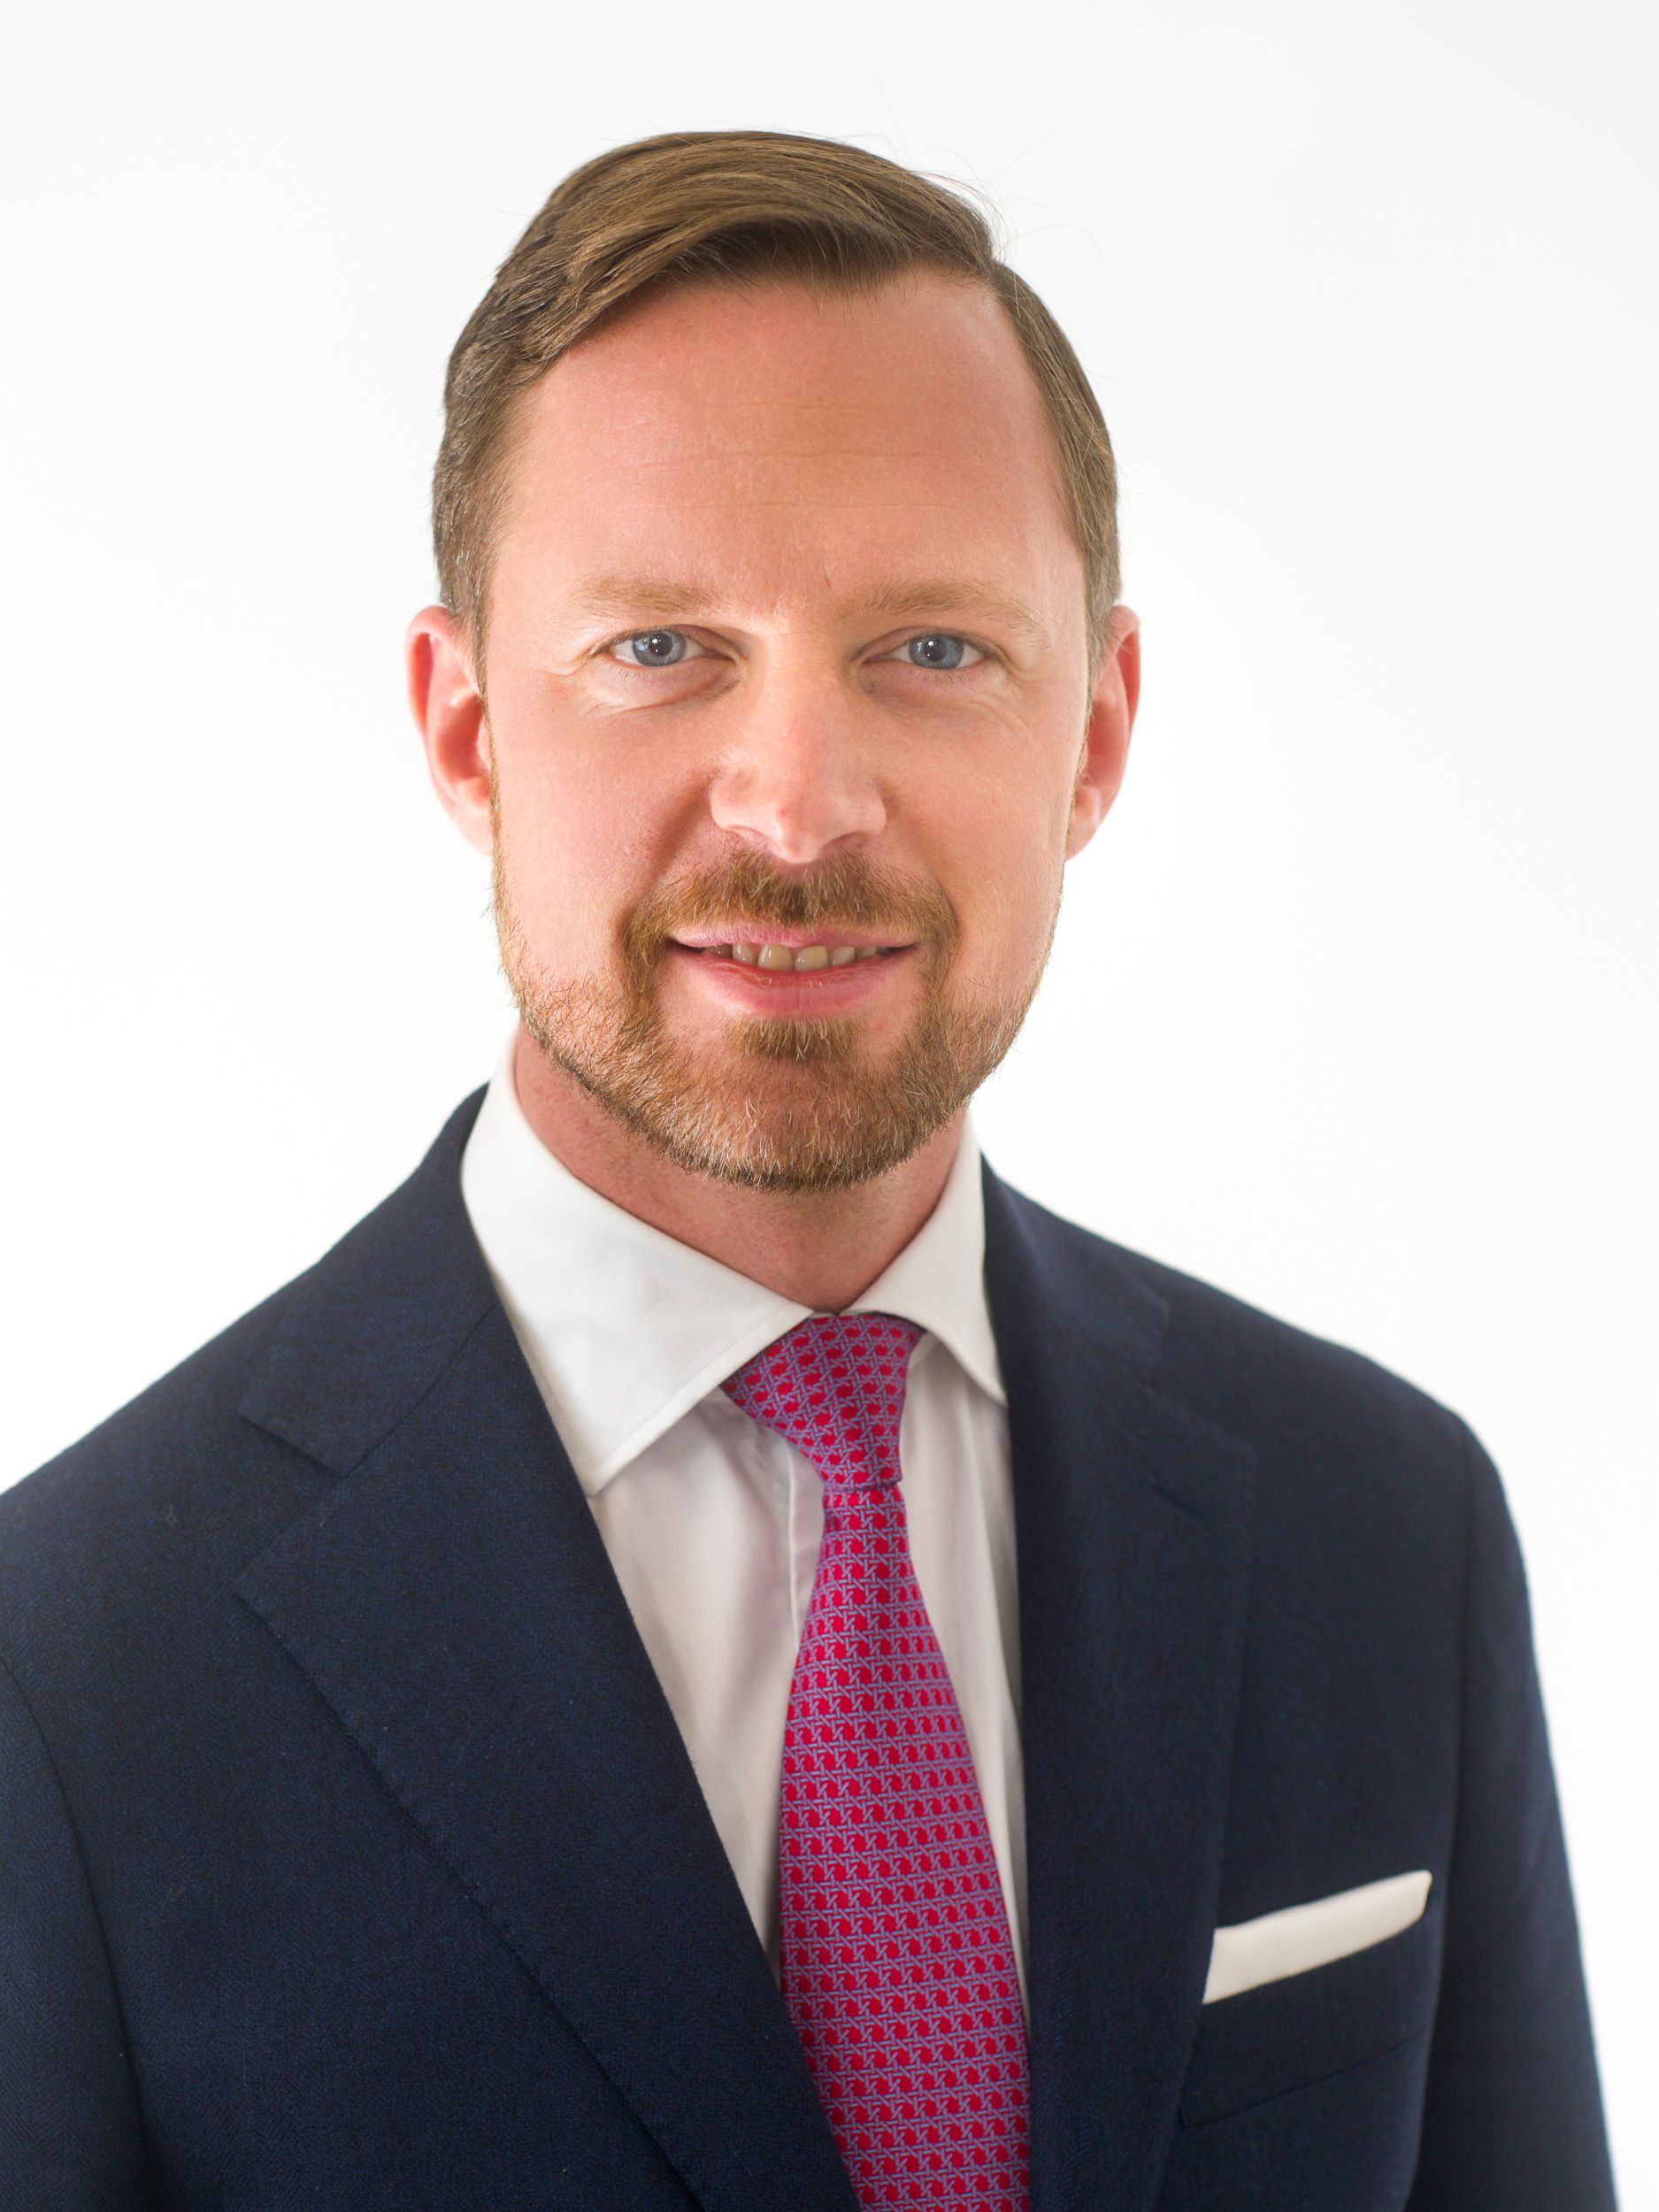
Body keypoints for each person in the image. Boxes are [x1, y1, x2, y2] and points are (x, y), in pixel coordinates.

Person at [0, 127, 1616, 2212]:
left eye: (929, 648)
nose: (794, 805)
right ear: (468, 730)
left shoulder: (1383, 1533)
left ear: (1092, 732)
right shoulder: (66, 1670)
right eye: (658, 646)